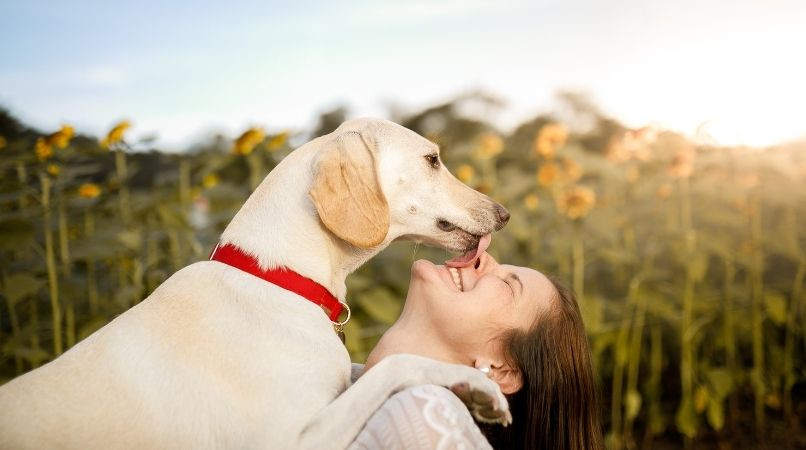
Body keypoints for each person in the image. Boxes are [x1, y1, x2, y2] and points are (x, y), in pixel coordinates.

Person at [349, 251, 603, 450]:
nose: (482, 256)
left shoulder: (426, 418)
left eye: (507, 285)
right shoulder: (339, 376)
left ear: (501, 370)